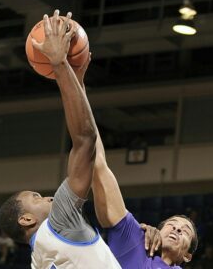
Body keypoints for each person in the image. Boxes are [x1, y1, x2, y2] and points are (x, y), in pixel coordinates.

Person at [0, 10, 160, 269]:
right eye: (37, 197)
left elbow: (94, 153)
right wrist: (60, 64)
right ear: (26, 219)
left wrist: (78, 84)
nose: (49, 197)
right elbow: (85, 140)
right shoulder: (58, 221)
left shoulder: (38, 259)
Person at [73, 39, 198, 268]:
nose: (178, 228)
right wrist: (77, 83)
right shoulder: (132, 239)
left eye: (185, 231)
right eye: (171, 224)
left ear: (188, 256)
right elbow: (97, 163)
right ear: (156, 232)